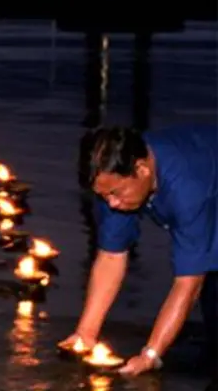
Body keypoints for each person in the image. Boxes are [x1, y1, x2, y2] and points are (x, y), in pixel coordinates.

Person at [62, 125, 217, 384]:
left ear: (142, 170)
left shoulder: (188, 190)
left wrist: (151, 354)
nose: (111, 203)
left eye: (114, 194)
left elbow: (188, 283)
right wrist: (85, 333)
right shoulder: (118, 178)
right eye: (103, 195)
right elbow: (111, 256)